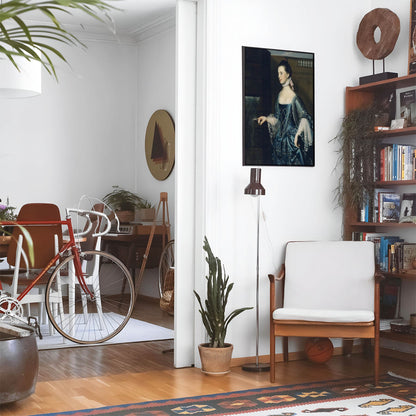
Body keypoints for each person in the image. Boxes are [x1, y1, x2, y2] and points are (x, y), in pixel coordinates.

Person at [257, 60, 313, 165]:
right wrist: (266, 118)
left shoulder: (294, 97)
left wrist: (297, 135)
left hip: (291, 142)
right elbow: (277, 119)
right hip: (279, 142)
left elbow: (305, 117)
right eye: (278, 73)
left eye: (281, 73)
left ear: (288, 74)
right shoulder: (279, 95)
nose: (279, 76)